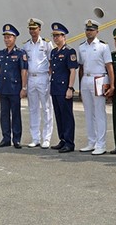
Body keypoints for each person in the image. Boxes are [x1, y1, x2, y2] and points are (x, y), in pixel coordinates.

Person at [77, 19, 114, 155]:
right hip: (86, 79)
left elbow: (109, 66)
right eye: (87, 29)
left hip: (99, 78)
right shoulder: (81, 47)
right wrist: (80, 86)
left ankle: (101, 144)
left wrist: (112, 85)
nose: (89, 32)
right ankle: (91, 141)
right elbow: (81, 67)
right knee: (88, 112)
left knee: (99, 112)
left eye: (92, 30)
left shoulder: (103, 46)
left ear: (97, 31)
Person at [0, 24, 28, 149]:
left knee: (16, 114)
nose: (7, 39)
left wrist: (24, 88)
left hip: (15, 88)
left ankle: (17, 139)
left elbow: (23, 71)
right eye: (5, 37)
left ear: (14, 38)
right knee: (4, 114)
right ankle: (6, 138)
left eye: (9, 37)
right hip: (3, 88)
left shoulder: (20, 53)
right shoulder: (1, 53)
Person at [23, 18, 53, 149]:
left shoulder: (47, 44)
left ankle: (46, 138)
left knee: (46, 108)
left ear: (39, 29)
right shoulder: (26, 45)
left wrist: (49, 77)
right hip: (31, 78)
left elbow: (52, 62)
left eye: (34, 28)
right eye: (30, 28)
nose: (32, 31)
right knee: (33, 109)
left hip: (43, 77)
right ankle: (35, 138)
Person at [48, 22, 78, 153]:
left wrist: (70, 88)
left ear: (64, 36)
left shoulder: (69, 51)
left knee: (67, 116)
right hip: (55, 88)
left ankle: (70, 142)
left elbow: (72, 70)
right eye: (54, 36)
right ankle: (63, 139)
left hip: (64, 88)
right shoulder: (54, 52)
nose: (55, 38)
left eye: (58, 36)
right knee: (58, 115)